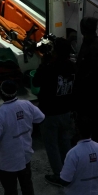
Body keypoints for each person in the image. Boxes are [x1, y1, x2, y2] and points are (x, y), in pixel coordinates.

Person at [0, 80, 44, 195]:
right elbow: (40, 118)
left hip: (7, 161)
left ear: (1, 94)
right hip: (25, 156)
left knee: (10, 191)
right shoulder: (26, 105)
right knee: (27, 184)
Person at [36, 37, 77, 186]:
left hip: (50, 112)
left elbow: (36, 82)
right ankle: (69, 171)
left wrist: (43, 63)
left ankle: (59, 176)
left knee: (51, 145)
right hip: (66, 110)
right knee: (65, 142)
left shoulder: (49, 67)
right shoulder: (72, 67)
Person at [74, 17, 98, 143]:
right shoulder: (89, 41)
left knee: (91, 113)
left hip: (89, 88)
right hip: (87, 86)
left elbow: (93, 71)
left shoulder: (94, 46)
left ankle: (93, 138)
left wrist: (81, 83)